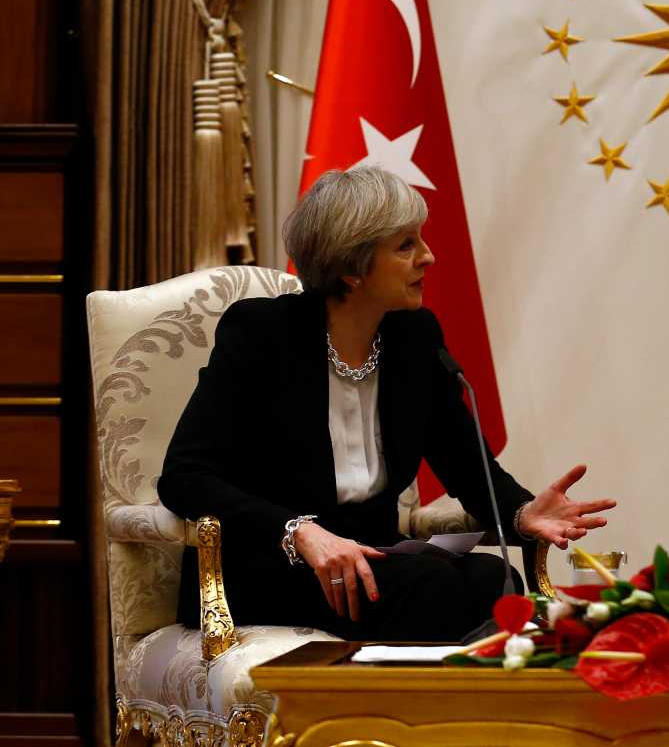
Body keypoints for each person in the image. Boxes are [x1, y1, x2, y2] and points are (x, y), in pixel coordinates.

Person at [159, 166, 615, 641]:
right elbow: (185, 477)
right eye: (406, 245)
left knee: (495, 582)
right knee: (431, 586)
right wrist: (298, 532)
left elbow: (465, 463)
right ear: (351, 266)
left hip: (375, 563)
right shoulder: (261, 334)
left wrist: (523, 514)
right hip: (271, 566)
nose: (428, 257)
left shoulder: (414, 338)